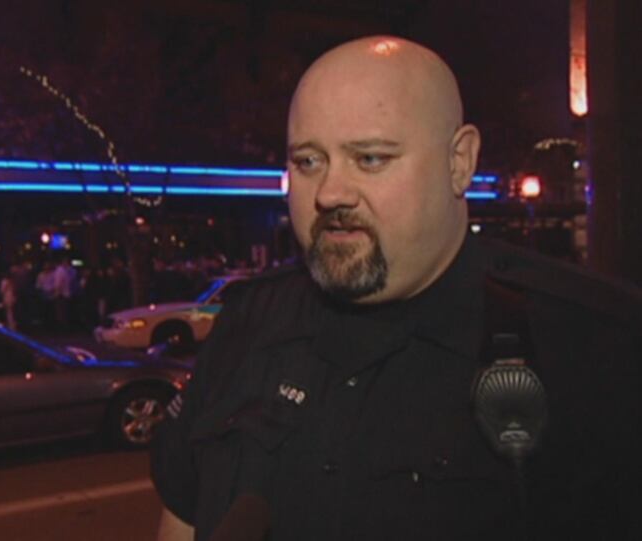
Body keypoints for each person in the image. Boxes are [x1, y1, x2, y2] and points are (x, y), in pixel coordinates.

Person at [150, 36, 642, 541]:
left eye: (370, 159)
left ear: (459, 162)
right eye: (308, 162)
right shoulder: (246, 324)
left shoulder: (594, 347)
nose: (330, 193)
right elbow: (182, 520)